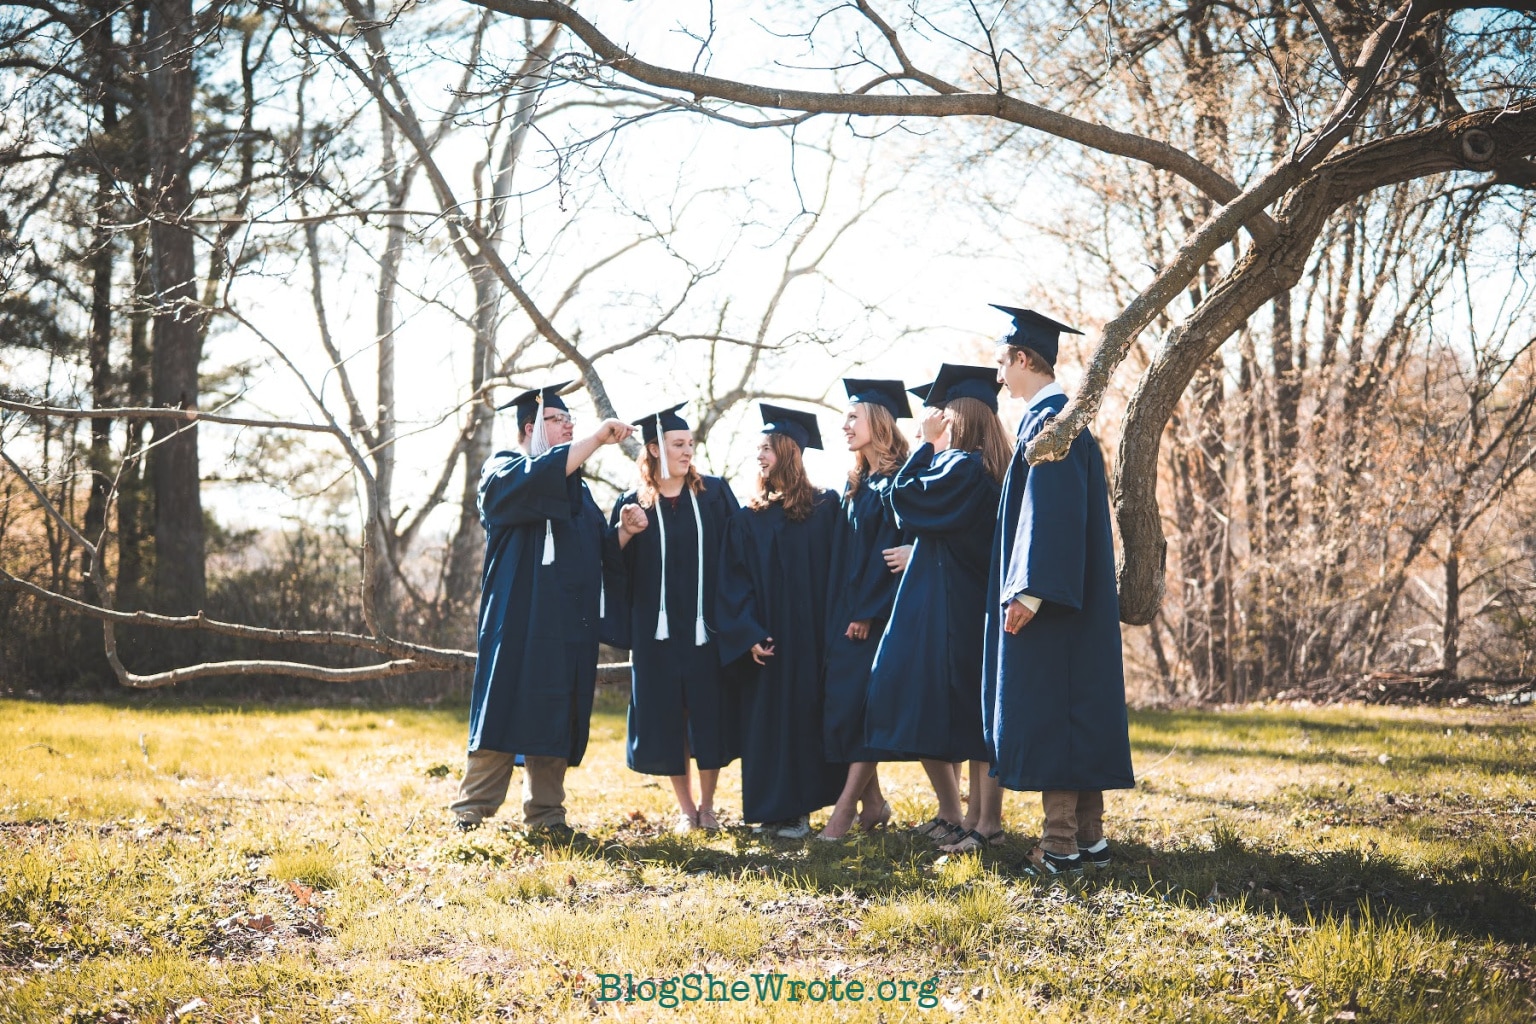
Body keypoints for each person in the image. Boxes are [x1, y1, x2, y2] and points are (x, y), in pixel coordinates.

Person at [983, 305, 1135, 875]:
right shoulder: (1053, 417)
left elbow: (1052, 512)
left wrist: (1030, 590)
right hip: (1068, 597)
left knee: (1054, 715)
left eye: (1003, 363)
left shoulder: (1052, 423)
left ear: (1023, 359)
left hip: (1052, 600)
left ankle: (1060, 845)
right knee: (1073, 712)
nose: (998, 374)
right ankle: (1090, 840)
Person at [450, 382, 635, 837]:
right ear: (531, 428)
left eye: (572, 419)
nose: (571, 424)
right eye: (560, 419)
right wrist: (593, 440)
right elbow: (533, 481)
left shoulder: (581, 491)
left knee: (557, 710)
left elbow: (599, 552)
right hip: (517, 618)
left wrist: (625, 534)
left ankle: (547, 816)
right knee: (503, 704)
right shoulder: (503, 467)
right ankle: (471, 811)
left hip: (567, 626)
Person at [864, 365, 1012, 852]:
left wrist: (925, 444)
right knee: (974, 715)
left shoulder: (960, 465)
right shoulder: (987, 466)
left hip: (957, 611)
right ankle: (972, 819)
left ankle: (983, 823)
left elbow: (905, 500)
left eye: (943, 414)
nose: (935, 419)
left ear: (960, 419)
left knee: (974, 716)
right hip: (968, 605)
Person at [606, 403, 741, 833]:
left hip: (707, 627)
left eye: (690, 445)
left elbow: (738, 556)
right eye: (678, 445)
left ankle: (708, 806)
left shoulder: (714, 494)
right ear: (653, 449)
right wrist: (625, 532)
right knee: (668, 717)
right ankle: (685, 810)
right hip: (656, 632)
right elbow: (609, 567)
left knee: (709, 713)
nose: (688, 452)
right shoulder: (633, 503)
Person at [715, 404, 845, 838]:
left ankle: (802, 810)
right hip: (767, 639)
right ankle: (773, 811)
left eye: (767, 448)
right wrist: (748, 633)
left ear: (790, 451)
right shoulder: (747, 517)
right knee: (766, 722)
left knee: (807, 716)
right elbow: (732, 584)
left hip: (813, 637)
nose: (760, 456)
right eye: (758, 449)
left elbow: (841, 572)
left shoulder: (827, 507)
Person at [817, 379, 912, 840]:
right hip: (847, 614)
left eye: (853, 416)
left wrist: (868, 611)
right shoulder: (858, 482)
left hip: (876, 618)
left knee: (860, 711)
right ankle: (873, 804)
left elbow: (892, 554)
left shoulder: (901, 481)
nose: (844, 424)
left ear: (880, 420)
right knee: (843, 709)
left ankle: (844, 810)